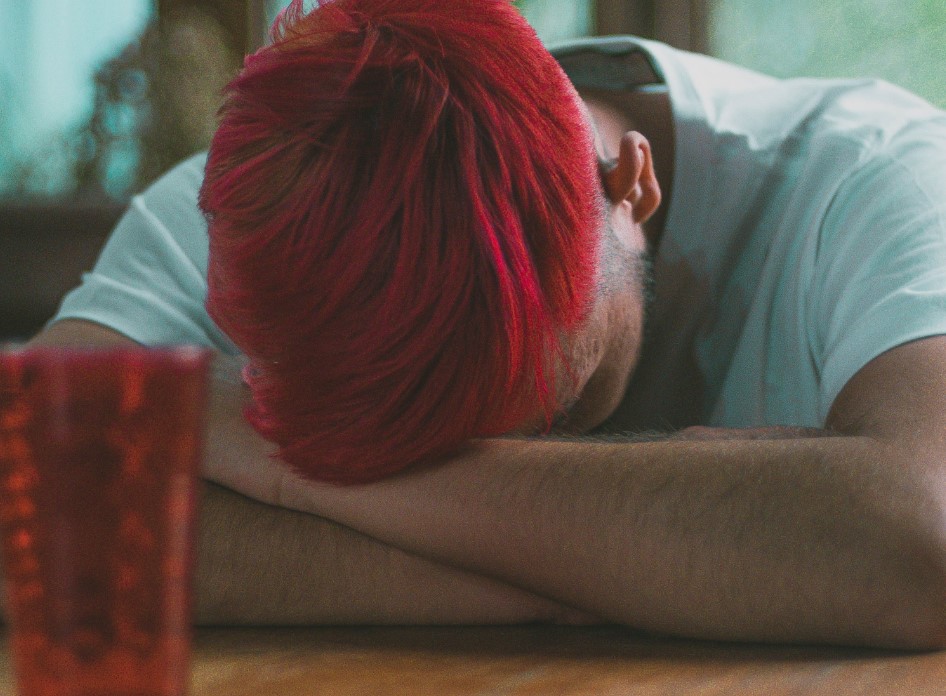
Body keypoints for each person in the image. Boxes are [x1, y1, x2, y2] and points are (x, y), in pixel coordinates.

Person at [31, 0, 946, 648]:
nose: (493, 463)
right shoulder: (267, 209)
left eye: (565, 400)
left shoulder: (882, 184)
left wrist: (289, 473)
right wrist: (591, 574)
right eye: (412, 450)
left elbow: (925, 541)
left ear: (630, 184)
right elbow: (16, 523)